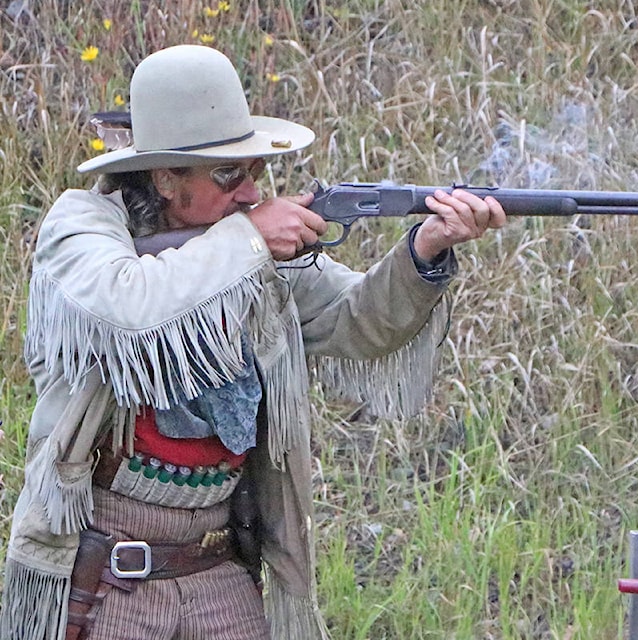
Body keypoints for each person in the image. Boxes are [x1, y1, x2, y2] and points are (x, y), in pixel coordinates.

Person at [0, 44, 505, 640]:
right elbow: (128, 309)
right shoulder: (83, 224)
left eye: (253, 175)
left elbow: (359, 322)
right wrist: (248, 239)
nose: (248, 194)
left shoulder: (250, 250)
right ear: (164, 177)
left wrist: (426, 250)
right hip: (106, 575)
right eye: (227, 176)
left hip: (218, 562)